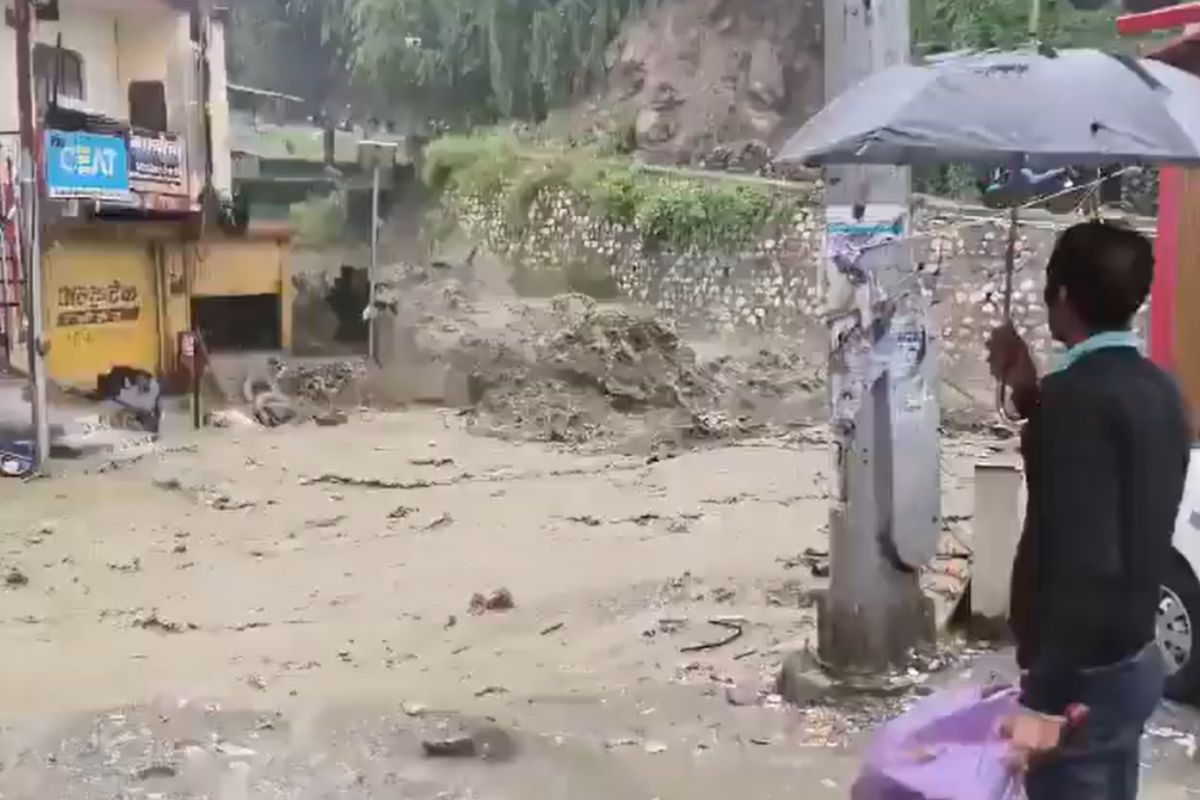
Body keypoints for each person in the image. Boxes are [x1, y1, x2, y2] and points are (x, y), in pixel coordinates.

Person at [986, 220, 1191, 800]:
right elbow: (1105, 471)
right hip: (1133, 654)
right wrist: (1027, 388)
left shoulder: (1075, 403)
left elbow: (1084, 555)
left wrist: (1047, 700)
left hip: (1082, 678)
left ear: (1063, 297)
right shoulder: (1158, 390)